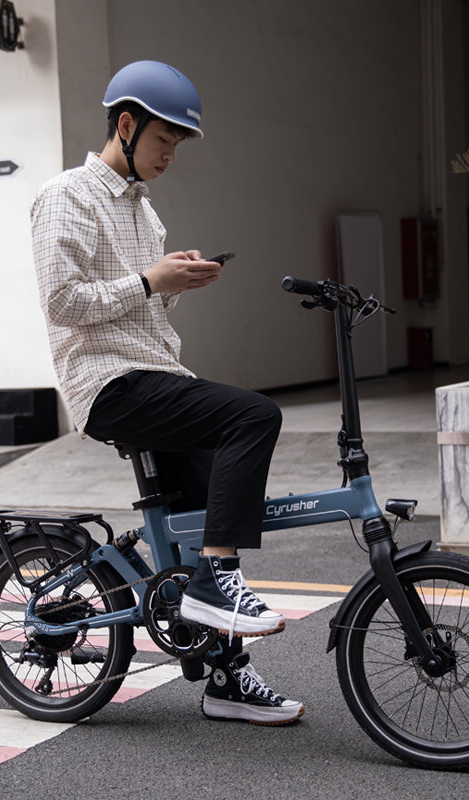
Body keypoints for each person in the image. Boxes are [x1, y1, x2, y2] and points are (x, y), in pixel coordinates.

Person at [30, 60, 303, 726]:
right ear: (125, 125)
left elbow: (144, 313)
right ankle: (214, 583)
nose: (169, 156)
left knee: (206, 522)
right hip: (107, 384)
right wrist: (151, 282)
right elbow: (62, 304)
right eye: (163, 142)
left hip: (154, 374)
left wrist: (173, 284)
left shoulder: (146, 215)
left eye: (177, 147)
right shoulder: (65, 196)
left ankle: (225, 678)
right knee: (254, 417)